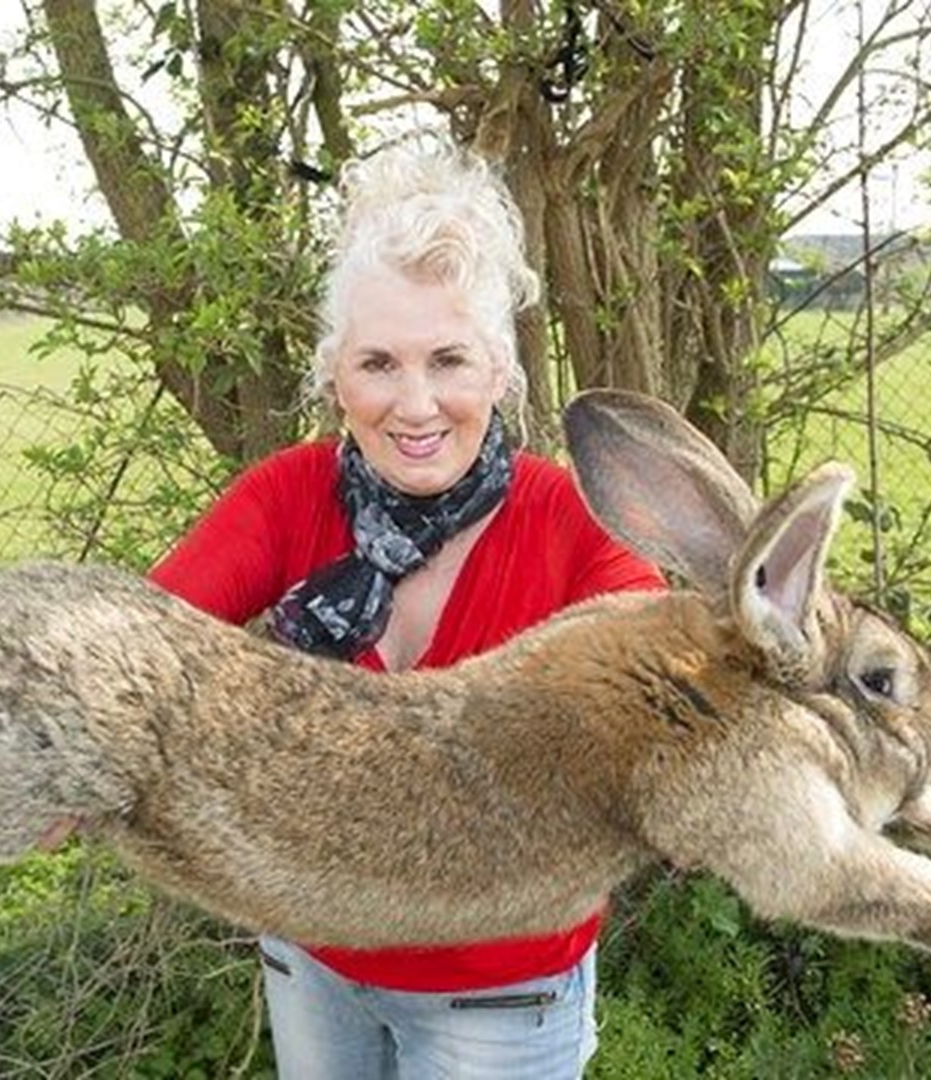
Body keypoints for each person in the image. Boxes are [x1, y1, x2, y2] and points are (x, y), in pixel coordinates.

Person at [147, 141, 666, 1079]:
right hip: (313, 955)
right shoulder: (286, 498)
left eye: (450, 360)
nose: (415, 404)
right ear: (334, 375)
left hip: (501, 995)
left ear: (501, 372)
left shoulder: (576, 526)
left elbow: (660, 708)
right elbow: (126, 653)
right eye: (379, 363)